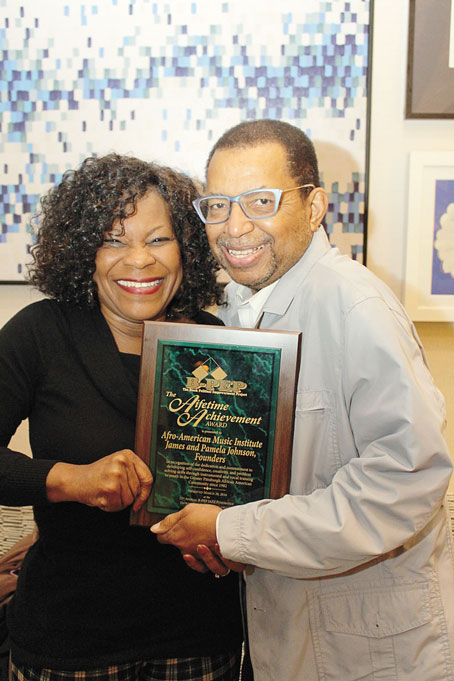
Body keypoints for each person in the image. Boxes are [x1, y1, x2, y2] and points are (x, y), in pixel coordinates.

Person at [151, 120, 454, 681]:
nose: (234, 227)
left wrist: (230, 531)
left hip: (370, 649)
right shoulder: (240, 314)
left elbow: (406, 480)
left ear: (314, 207)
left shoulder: (354, 306)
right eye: (216, 205)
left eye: (260, 201)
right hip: (287, 635)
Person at [0, 153, 244, 681]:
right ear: (82, 250)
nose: (140, 260)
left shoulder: (222, 346)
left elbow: (249, 475)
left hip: (199, 640)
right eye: (114, 239)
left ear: (186, 248)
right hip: (67, 644)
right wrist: (68, 479)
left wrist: (239, 538)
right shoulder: (40, 334)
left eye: (159, 239)